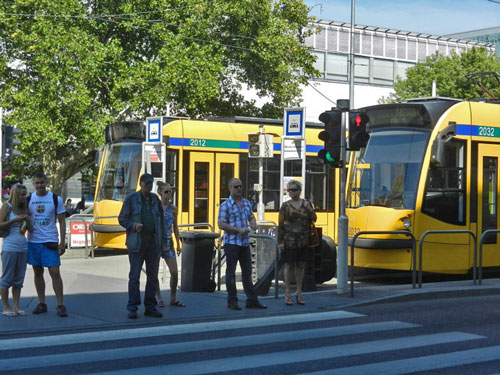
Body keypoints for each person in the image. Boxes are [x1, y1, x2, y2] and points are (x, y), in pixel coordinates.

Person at [118, 173, 167, 319]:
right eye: (146, 184)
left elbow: (161, 222)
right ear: (140, 184)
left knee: (152, 277)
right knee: (135, 276)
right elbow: (122, 219)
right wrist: (133, 226)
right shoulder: (131, 199)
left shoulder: (155, 199)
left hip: (153, 242)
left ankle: (150, 306)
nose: (149, 186)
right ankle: (132, 307)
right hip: (137, 243)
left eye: (151, 184)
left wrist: (164, 243)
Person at [218, 177, 266, 310]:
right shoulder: (225, 205)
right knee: (231, 273)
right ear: (229, 189)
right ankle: (232, 301)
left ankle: (252, 300)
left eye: (240, 186)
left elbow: (251, 216)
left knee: (247, 273)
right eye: (236, 187)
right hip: (232, 243)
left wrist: (253, 223)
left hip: (244, 243)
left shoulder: (246, 203)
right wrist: (238, 230)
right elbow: (221, 224)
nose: (239, 189)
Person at [27, 172, 68, 317]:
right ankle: (42, 303)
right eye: (37, 183)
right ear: (33, 183)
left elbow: (62, 221)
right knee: (38, 272)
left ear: (46, 182)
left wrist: (62, 242)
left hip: (50, 241)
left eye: (42, 183)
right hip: (33, 241)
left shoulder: (56, 199)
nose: (39, 186)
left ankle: (60, 305)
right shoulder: (29, 199)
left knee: (55, 272)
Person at [278, 180, 316, 306]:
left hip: (303, 240)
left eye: (294, 190)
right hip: (289, 240)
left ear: (300, 191)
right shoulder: (285, 206)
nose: (291, 192)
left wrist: (308, 207)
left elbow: (314, 218)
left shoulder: (306, 204)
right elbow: (280, 225)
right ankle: (287, 293)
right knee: (289, 265)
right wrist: (281, 241)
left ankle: (299, 292)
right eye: (289, 190)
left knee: (300, 266)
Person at [0, 184, 32, 316]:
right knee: (7, 278)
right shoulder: (7, 207)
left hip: (23, 246)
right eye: (21, 195)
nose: (24, 197)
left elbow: (27, 229)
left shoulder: (24, 208)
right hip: (9, 246)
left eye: (25, 194)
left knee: (19, 279)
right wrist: (14, 221)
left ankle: (17, 306)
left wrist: (27, 221)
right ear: (15, 194)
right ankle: (6, 307)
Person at [155, 182, 184, 308]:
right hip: (156, 243)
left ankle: (173, 297)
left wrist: (178, 243)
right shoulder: (156, 207)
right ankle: (159, 297)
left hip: (168, 242)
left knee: (174, 272)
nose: (169, 194)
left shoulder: (173, 209)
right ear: (160, 193)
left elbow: (175, 227)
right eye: (166, 192)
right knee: (153, 272)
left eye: (170, 191)